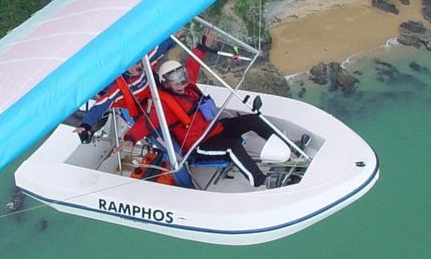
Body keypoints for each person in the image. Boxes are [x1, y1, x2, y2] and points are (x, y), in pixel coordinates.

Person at [122, 33, 279, 188]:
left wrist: (202, 46)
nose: (180, 81)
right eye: (174, 79)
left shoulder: (188, 87)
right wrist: (130, 137)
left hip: (216, 129)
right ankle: (261, 180)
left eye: (181, 75)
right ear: (165, 83)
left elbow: (193, 65)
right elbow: (147, 123)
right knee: (233, 147)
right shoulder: (165, 105)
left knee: (252, 119)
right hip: (199, 145)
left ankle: (286, 146)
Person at [73, 36, 178, 141]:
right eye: (132, 65)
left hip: (154, 99)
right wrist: (86, 124)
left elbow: (159, 48)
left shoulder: (145, 61)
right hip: (136, 110)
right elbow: (102, 104)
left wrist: (174, 38)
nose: (137, 67)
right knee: (155, 134)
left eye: (138, 63)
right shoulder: (118, 88)